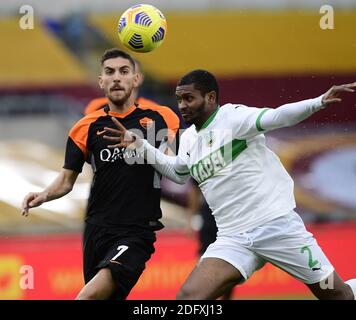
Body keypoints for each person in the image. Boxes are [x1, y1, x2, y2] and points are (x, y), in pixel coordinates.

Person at [102, 69, 356, 300]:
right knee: (188, 299)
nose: (182, 106)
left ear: (210, 97)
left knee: (337, 295)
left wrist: (318, 101)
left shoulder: (234, 118)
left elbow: (278, 117)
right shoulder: (189, 138)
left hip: (277, 226)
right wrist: (140, 145)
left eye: (189, 98)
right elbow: (179, 172)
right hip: (233, 238)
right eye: (179, 100)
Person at [21, 48, 180, 300]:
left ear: (136, 79)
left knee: (86, 297)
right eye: (109, 72)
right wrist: (43, 195)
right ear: (101, 81)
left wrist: (141, 145)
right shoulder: (85, 127)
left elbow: (176, 167)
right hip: (97, 230)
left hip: (136, 231)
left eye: (124, 71)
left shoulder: (162, 118)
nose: (116, 77)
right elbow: (66, 181)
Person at [187, 178, 234, 300]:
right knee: (205, 262)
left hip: (231, 218)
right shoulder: (202, 161)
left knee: (231, 263)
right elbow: (194, 189)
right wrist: (191, 218)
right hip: (210, 218)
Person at [83, 59, 159, 115]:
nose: (118, 77)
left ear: (138, 79)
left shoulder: (154, 109)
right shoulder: (95, 107)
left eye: (125, 72)